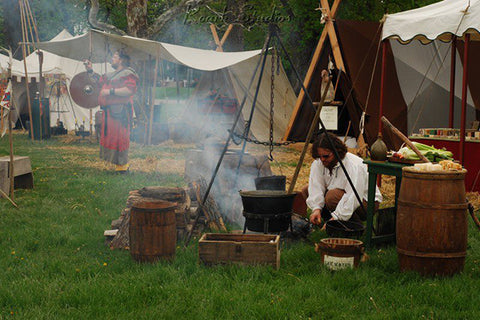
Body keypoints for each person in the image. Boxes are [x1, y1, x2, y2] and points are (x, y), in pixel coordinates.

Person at [306, 132, 382, 225]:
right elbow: (316, 186)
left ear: (337, 151)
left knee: (331, 196)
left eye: (326, 156)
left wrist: (337, 217)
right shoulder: (319, 163)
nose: (322, 159)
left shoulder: (354, 165)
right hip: (343, 197)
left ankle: (353, 227)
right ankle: (325, 221)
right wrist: (316, 209)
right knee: (306, 189)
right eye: (319, 156)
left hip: (366, 202)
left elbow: (353, 196)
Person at [84, 50, 138, 173]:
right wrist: (90, 69)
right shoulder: (111, 75)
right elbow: (98, 82)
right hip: (110, 112)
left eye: (115, 57)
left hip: (121, 112)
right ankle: (118, 165)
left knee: (121, 138)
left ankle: (123, 167)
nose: (112, 59)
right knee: (113, 138)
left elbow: (129, 90)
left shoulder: (128, 74)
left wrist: (110, 92)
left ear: (121, 60)